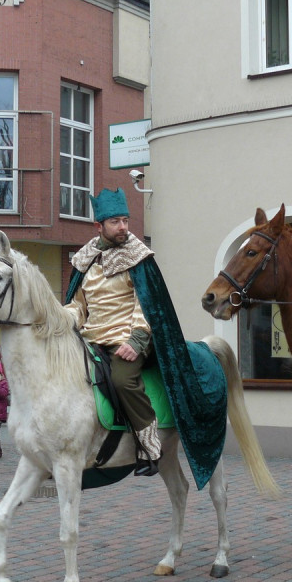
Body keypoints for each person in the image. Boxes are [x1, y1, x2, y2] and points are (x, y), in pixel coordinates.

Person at [64, 188, 231, 479]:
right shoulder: (85, 259)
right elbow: (78, 307)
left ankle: (149, 447)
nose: (123, 227)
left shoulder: (138, 256)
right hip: (92, 339)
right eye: (115, 221)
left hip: (129, 340)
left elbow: (148, 304)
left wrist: (136, 341)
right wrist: (60, 318)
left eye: (126, 220)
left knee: (122, 380)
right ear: (99, 226)